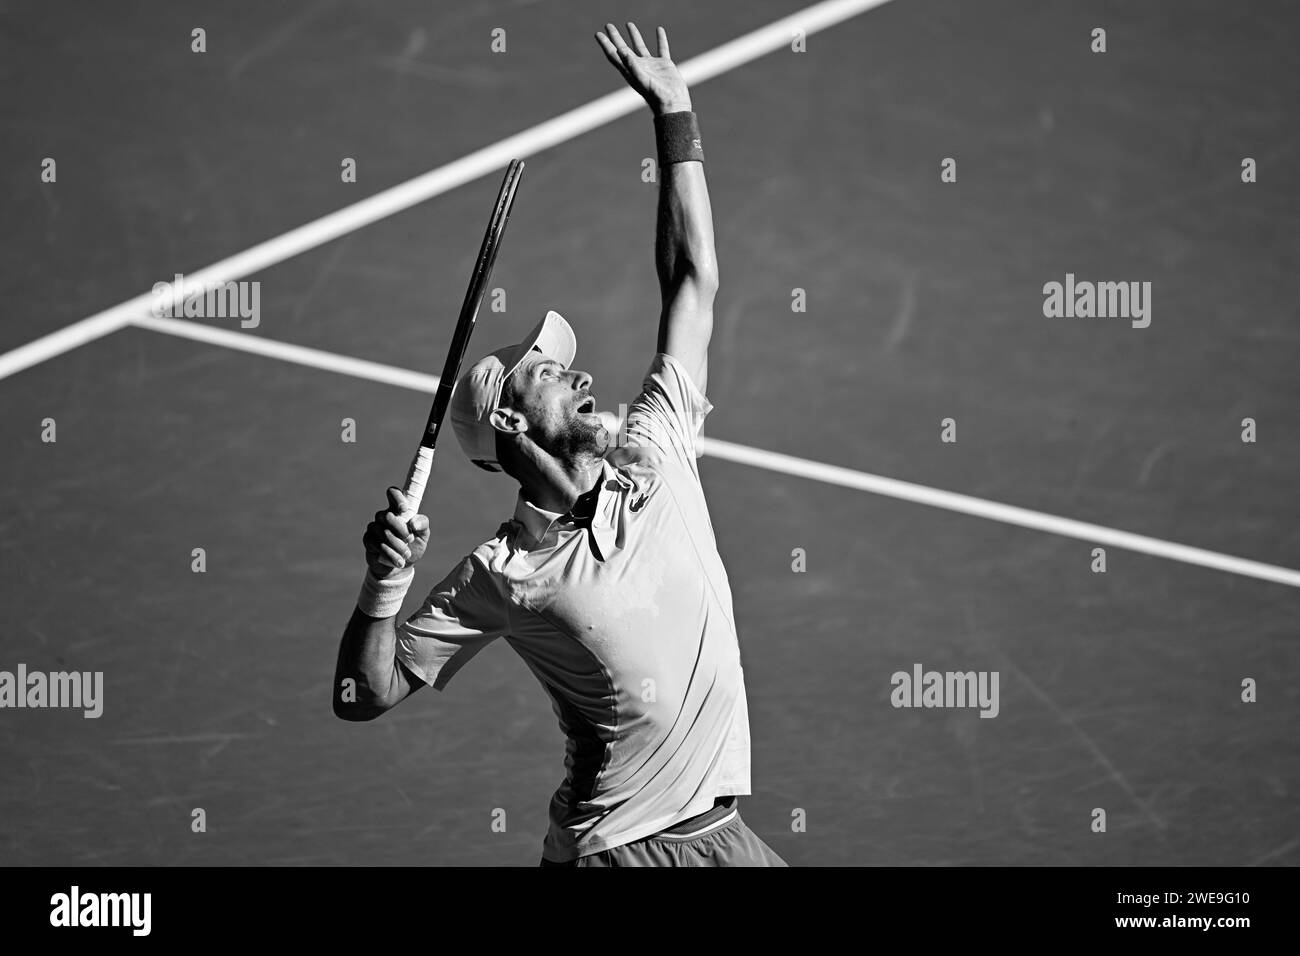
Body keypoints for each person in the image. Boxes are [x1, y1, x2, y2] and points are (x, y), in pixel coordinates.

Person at [333, 22, 785, 867]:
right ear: (507, 422)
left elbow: (693, 278)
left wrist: (674, 114)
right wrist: (383, 583)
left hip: (724, 839)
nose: (577, 377)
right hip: (621, 854)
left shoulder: (658, 447)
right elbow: (365, 693)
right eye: (546, 372)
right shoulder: (503, 575)